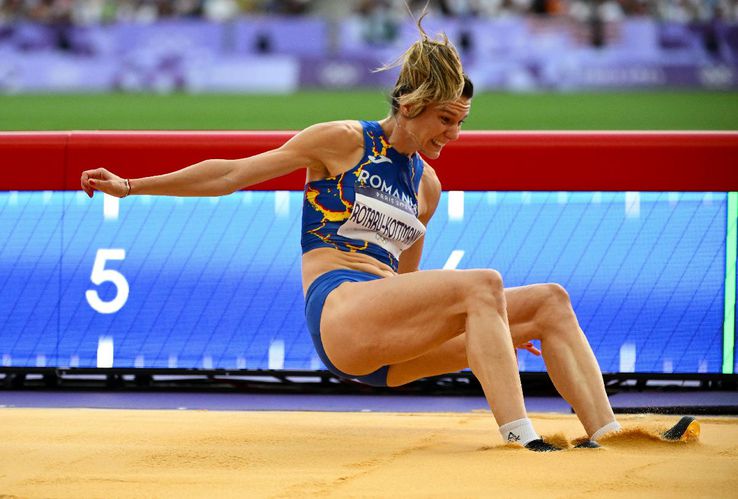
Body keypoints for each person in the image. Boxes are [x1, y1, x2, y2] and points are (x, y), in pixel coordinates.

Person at [81, 16, 627, 452]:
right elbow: (231, 174)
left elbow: (406, 287)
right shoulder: (342, 141)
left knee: (549, 302)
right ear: (411, 107)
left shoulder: (427, 186)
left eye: (461, 122)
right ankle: (521, 438)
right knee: (483, 284)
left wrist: (491, 331)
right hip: (339, 314)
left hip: (383, 343)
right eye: (445, 120)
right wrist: (130, 185)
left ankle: (610, 433)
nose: (454, 134)